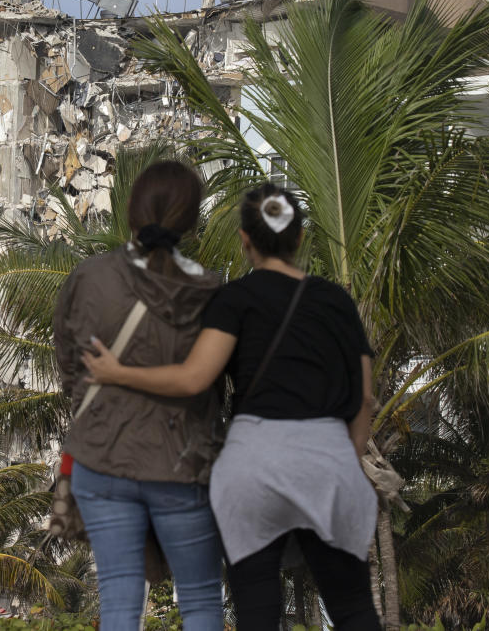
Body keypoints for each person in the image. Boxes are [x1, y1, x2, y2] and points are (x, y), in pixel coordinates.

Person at [83, 183, 380, 631]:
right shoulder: (335, 300)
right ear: (299, 238)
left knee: (256, 613)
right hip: (328, 458)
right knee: (354, 609)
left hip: (254, 464)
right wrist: (347, 458)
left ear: (245, 240)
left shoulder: (234, 300)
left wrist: (116, 373)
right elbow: (364, 395)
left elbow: (193, 380)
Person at [53, 160, 226, 631]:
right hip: (181, 462)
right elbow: (215, 380)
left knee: (119, 600)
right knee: (201, 599)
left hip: (101, 457)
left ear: (130, 210)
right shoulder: (209, 291)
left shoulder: (89, 278)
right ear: (191, 220)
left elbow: (69, 365)